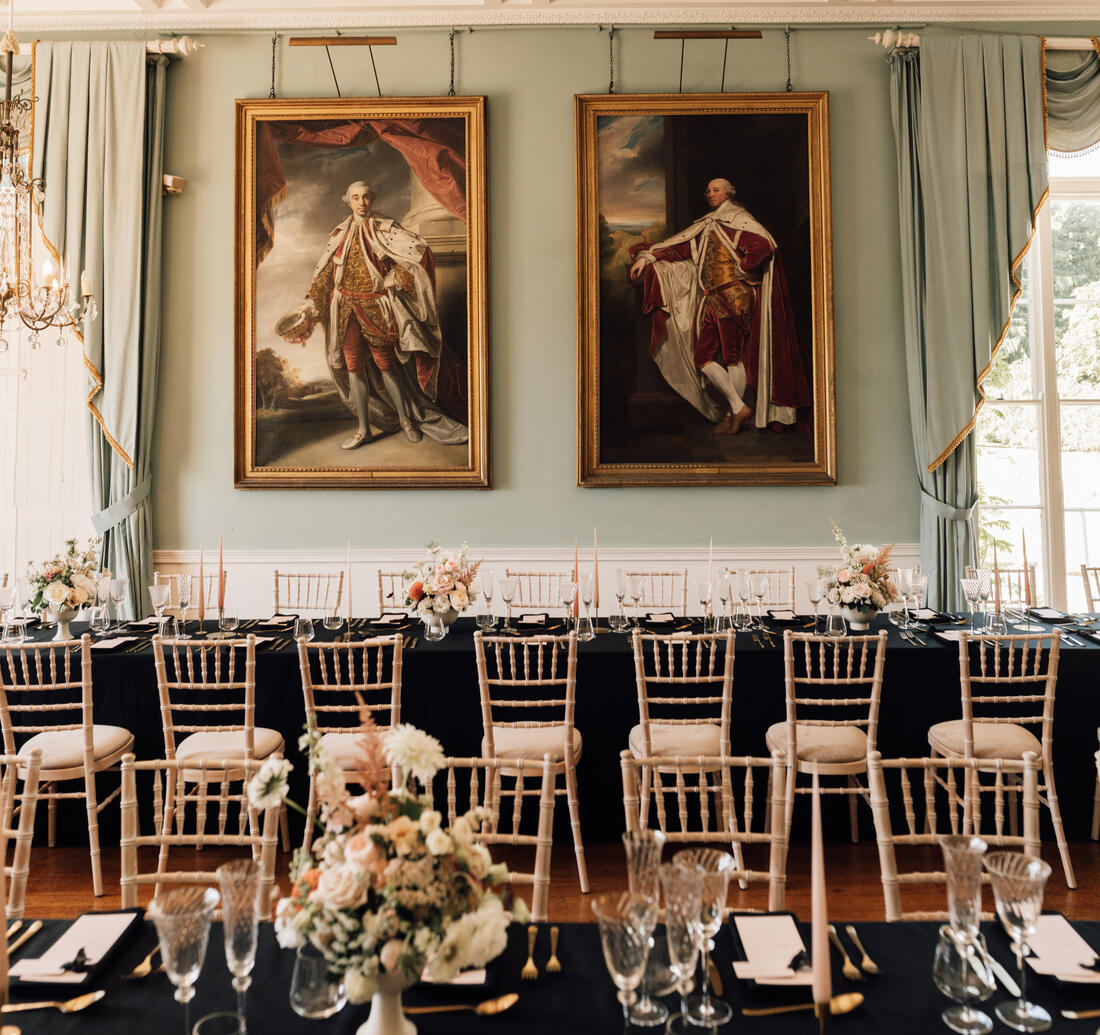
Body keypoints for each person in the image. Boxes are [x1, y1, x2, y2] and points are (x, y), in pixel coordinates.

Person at [279, 180, 468, 449]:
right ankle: (363, 429)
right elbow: (325, 279)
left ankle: (406, 421)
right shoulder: (338, 236)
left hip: (376, 309)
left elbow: (418, 255)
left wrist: (397, 277)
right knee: (354, 369)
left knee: (387, 367)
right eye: (356, 198)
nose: (362, 202)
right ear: (348, 201)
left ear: (372, 199)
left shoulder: (386, 229)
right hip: (345, 311)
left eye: (366, 197)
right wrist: (308, 306)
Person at [629, 177, 810, 434]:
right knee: (703, 358)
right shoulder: (709, 223)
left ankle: (733, 414)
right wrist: (648, 258)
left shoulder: (739, 220)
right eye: (708, 190)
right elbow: (679, 248)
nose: (710, 194)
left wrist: (742, 269)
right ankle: (737, 407)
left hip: (735, 298)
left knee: (732, 357)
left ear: (728, 194)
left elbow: (762, 246)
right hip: (713, 299)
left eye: (715, 190)